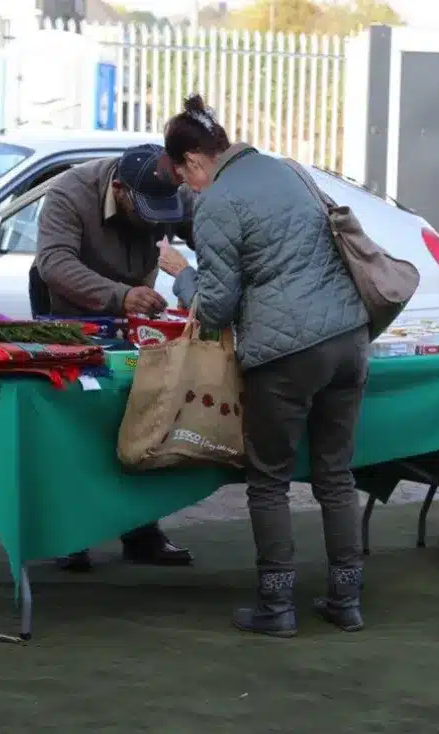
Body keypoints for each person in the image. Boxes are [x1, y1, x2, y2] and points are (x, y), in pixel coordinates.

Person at [157, 95, 371, 636]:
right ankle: (346, 600)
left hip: (285, 354)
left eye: (184, 176)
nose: (188, 189)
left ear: (195, 162)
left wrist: (182, 275)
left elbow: (218, 306)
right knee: (336, 474)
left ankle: (277, 608)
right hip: (349, 337)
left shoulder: (217, 201)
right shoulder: (287, 170)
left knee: (269, 481)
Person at [32, 144, 196, 571]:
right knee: (78, 426)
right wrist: (119, 296)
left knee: (144, 416)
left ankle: (141, 530)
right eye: (145, 211)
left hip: (137, 322)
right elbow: (53, 263)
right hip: (75, 320)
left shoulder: (172, 191)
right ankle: (72, 532)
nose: (153, 222)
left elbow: (210, 234)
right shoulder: (70, 194)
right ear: (119, 189)